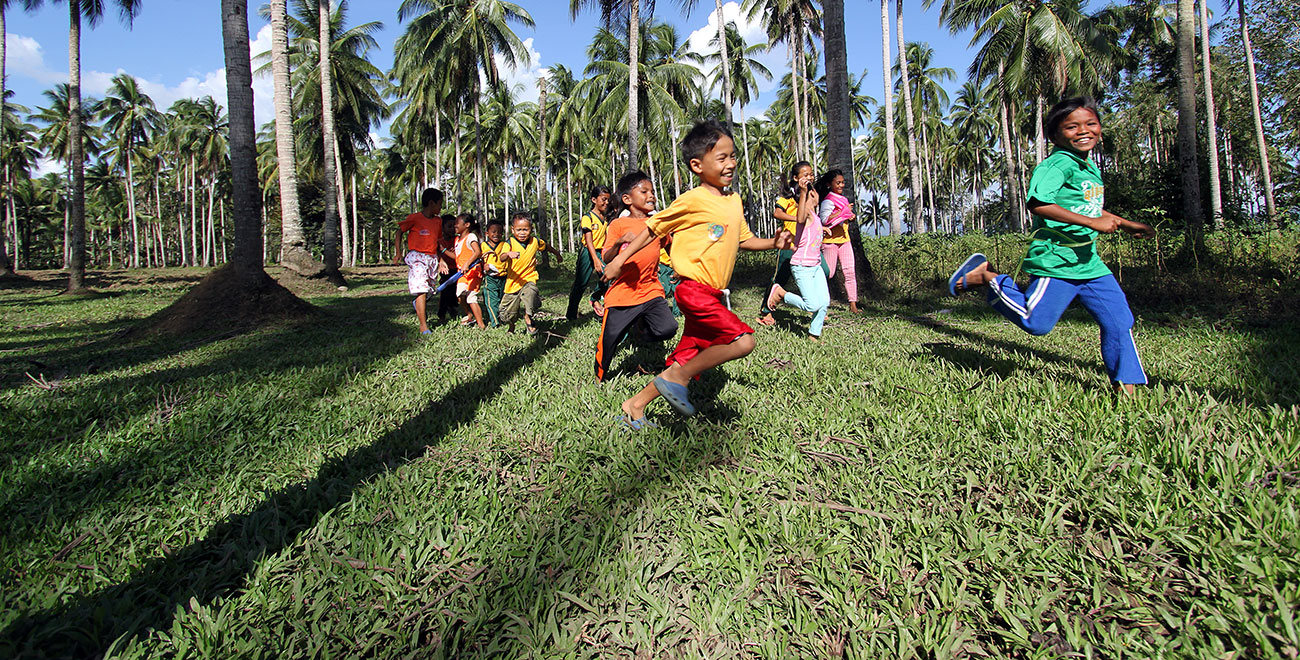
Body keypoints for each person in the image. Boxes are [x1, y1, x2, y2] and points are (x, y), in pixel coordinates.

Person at [949, 96, 1156, 394]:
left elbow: (1088, 210)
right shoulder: (1057, 164)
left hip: (1089, 263)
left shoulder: (1088, 167)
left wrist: (1124, 223)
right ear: (1055, 134)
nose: (1084, 131)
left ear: (1100, 127)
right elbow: (1039, 203)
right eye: (1072, 127)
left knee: (1120, 320)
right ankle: (986, 276)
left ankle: (1127, 390)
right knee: (1036, 323)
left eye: (1091, 123)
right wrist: (1094, 224)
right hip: (1056, 261)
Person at [602, 120, 793, 428]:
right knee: (743, 342)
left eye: (733, 156)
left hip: (714, 293)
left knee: (684, 358)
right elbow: (653, 228)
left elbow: (744, 240)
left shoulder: (733, 201)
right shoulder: (692, 200)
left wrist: (774, 242)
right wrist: (619, 260)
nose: (730, 163)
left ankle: (635, 405)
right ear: (697, 165)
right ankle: (678, 377)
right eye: (722, 157)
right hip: (693, 290)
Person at [595, 171, 679, 382]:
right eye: (644, 191)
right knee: (610, 340)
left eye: (652, 191)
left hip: (651, 289)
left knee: (668, 328)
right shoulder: (618, 225)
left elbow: (671, 246)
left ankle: (641, 333)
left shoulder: (658, 225)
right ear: (627, 199)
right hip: (623, 293)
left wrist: (678, 266)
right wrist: (619, 241)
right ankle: (600, 376)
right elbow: (606, 256)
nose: (651, 195)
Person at [766, 166, 829, 341]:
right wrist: (803, 192)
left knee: (824, 303)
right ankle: (780, 293)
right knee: (812, 304)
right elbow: (800, 218)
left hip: (815, 265)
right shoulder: (806, 214)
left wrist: (823, 228)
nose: (816, 194)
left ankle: (813, 335)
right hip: (802, 265)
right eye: (814, 193)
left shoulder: (815, 218)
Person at [756, 161, 814, 326]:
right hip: (789, 243)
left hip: (808, 244)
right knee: (779, 277)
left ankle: (816, 308)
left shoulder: (812, 195)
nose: (809, 177)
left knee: (822, 271)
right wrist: (797, 219)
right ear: (796, 178)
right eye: (805, 175)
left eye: (811, 174)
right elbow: (777, 213)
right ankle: (766, 312)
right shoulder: (787, 197)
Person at [394, 188, 450, 335]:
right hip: (417, 257)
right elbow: (399, 231)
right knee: (422, 289)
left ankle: (418, 304)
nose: (441, 207)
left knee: (430, 289)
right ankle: (423, 326)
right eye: (439, 204)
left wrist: (441, 260)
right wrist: (398, 253)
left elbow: (437, 242)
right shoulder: (414, 218)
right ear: (431, 203)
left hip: (431, 258)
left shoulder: (438, 221)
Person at [497, 213, 564, 336]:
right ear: (513, 230)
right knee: (507, 313)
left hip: (529, 278)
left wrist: (557, 254)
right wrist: (508, 254)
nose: (522, 233)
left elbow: (546, 246)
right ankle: (511, 327)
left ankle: (528, 317)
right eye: (519, 230)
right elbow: (501, 257)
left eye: (525, 230)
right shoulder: (509, 243)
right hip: (513, 282)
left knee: (531, 292)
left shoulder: (535, 241)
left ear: (531, 229)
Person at [816, 169, 860, 314]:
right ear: (830, 184)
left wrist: (849, 216)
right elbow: (824, 220)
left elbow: (843, 217)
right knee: (829, 272)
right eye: (838, 183)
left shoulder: (843, 200)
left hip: (844, 240)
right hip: (830, 242)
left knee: (850, 272)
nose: (841, 185)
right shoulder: (828, 200)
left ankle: (853, 304)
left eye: (842, 182)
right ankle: (817, 300)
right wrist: (843, 212)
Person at [566, 185, 612, 320]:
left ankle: (595, 298)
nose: (606, 203)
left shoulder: (606, 219)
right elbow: (589, 241)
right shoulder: (588, 218)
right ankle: (571, 315)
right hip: (588, 252)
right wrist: (595, 260)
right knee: (580, 284)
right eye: (603, 199)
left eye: (608, 200)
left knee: (607, 278)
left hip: (601, 252)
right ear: (594, 199)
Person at [454, 213, 486, 328]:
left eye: (457, 223)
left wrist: (467, 264)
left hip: (473, 272)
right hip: (462, 274)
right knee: (460, 295)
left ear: (467, 225)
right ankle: (469, 315)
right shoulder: (457, 240)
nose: (455, 225)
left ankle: (481, 325)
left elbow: (477, 252)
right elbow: (457, 256)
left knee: (471, 297)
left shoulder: (471, 237)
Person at [481, 220, 507, 328]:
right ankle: (495, 322)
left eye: (499, 232)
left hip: (504, 276)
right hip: (490, 277)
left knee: (502, 299)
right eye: (493, 232)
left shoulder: (505, 245)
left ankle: (504, 318)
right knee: (492, 300)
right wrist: (484, 266)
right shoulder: (483, 245)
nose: (496, 234)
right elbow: (478, 259)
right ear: (487, 233)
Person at [436, 214, 459, 322]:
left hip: (457, 270)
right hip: (446, 271)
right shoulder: (439, 241)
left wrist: (444, 250)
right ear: (442, 228)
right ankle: (442, 314)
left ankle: (453, 309)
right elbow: (436, 253)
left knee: (455, 292)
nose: (452, 230)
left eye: (454, 227)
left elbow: (457, 257)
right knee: (445, 292)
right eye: (449, 226)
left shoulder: (457, 240)